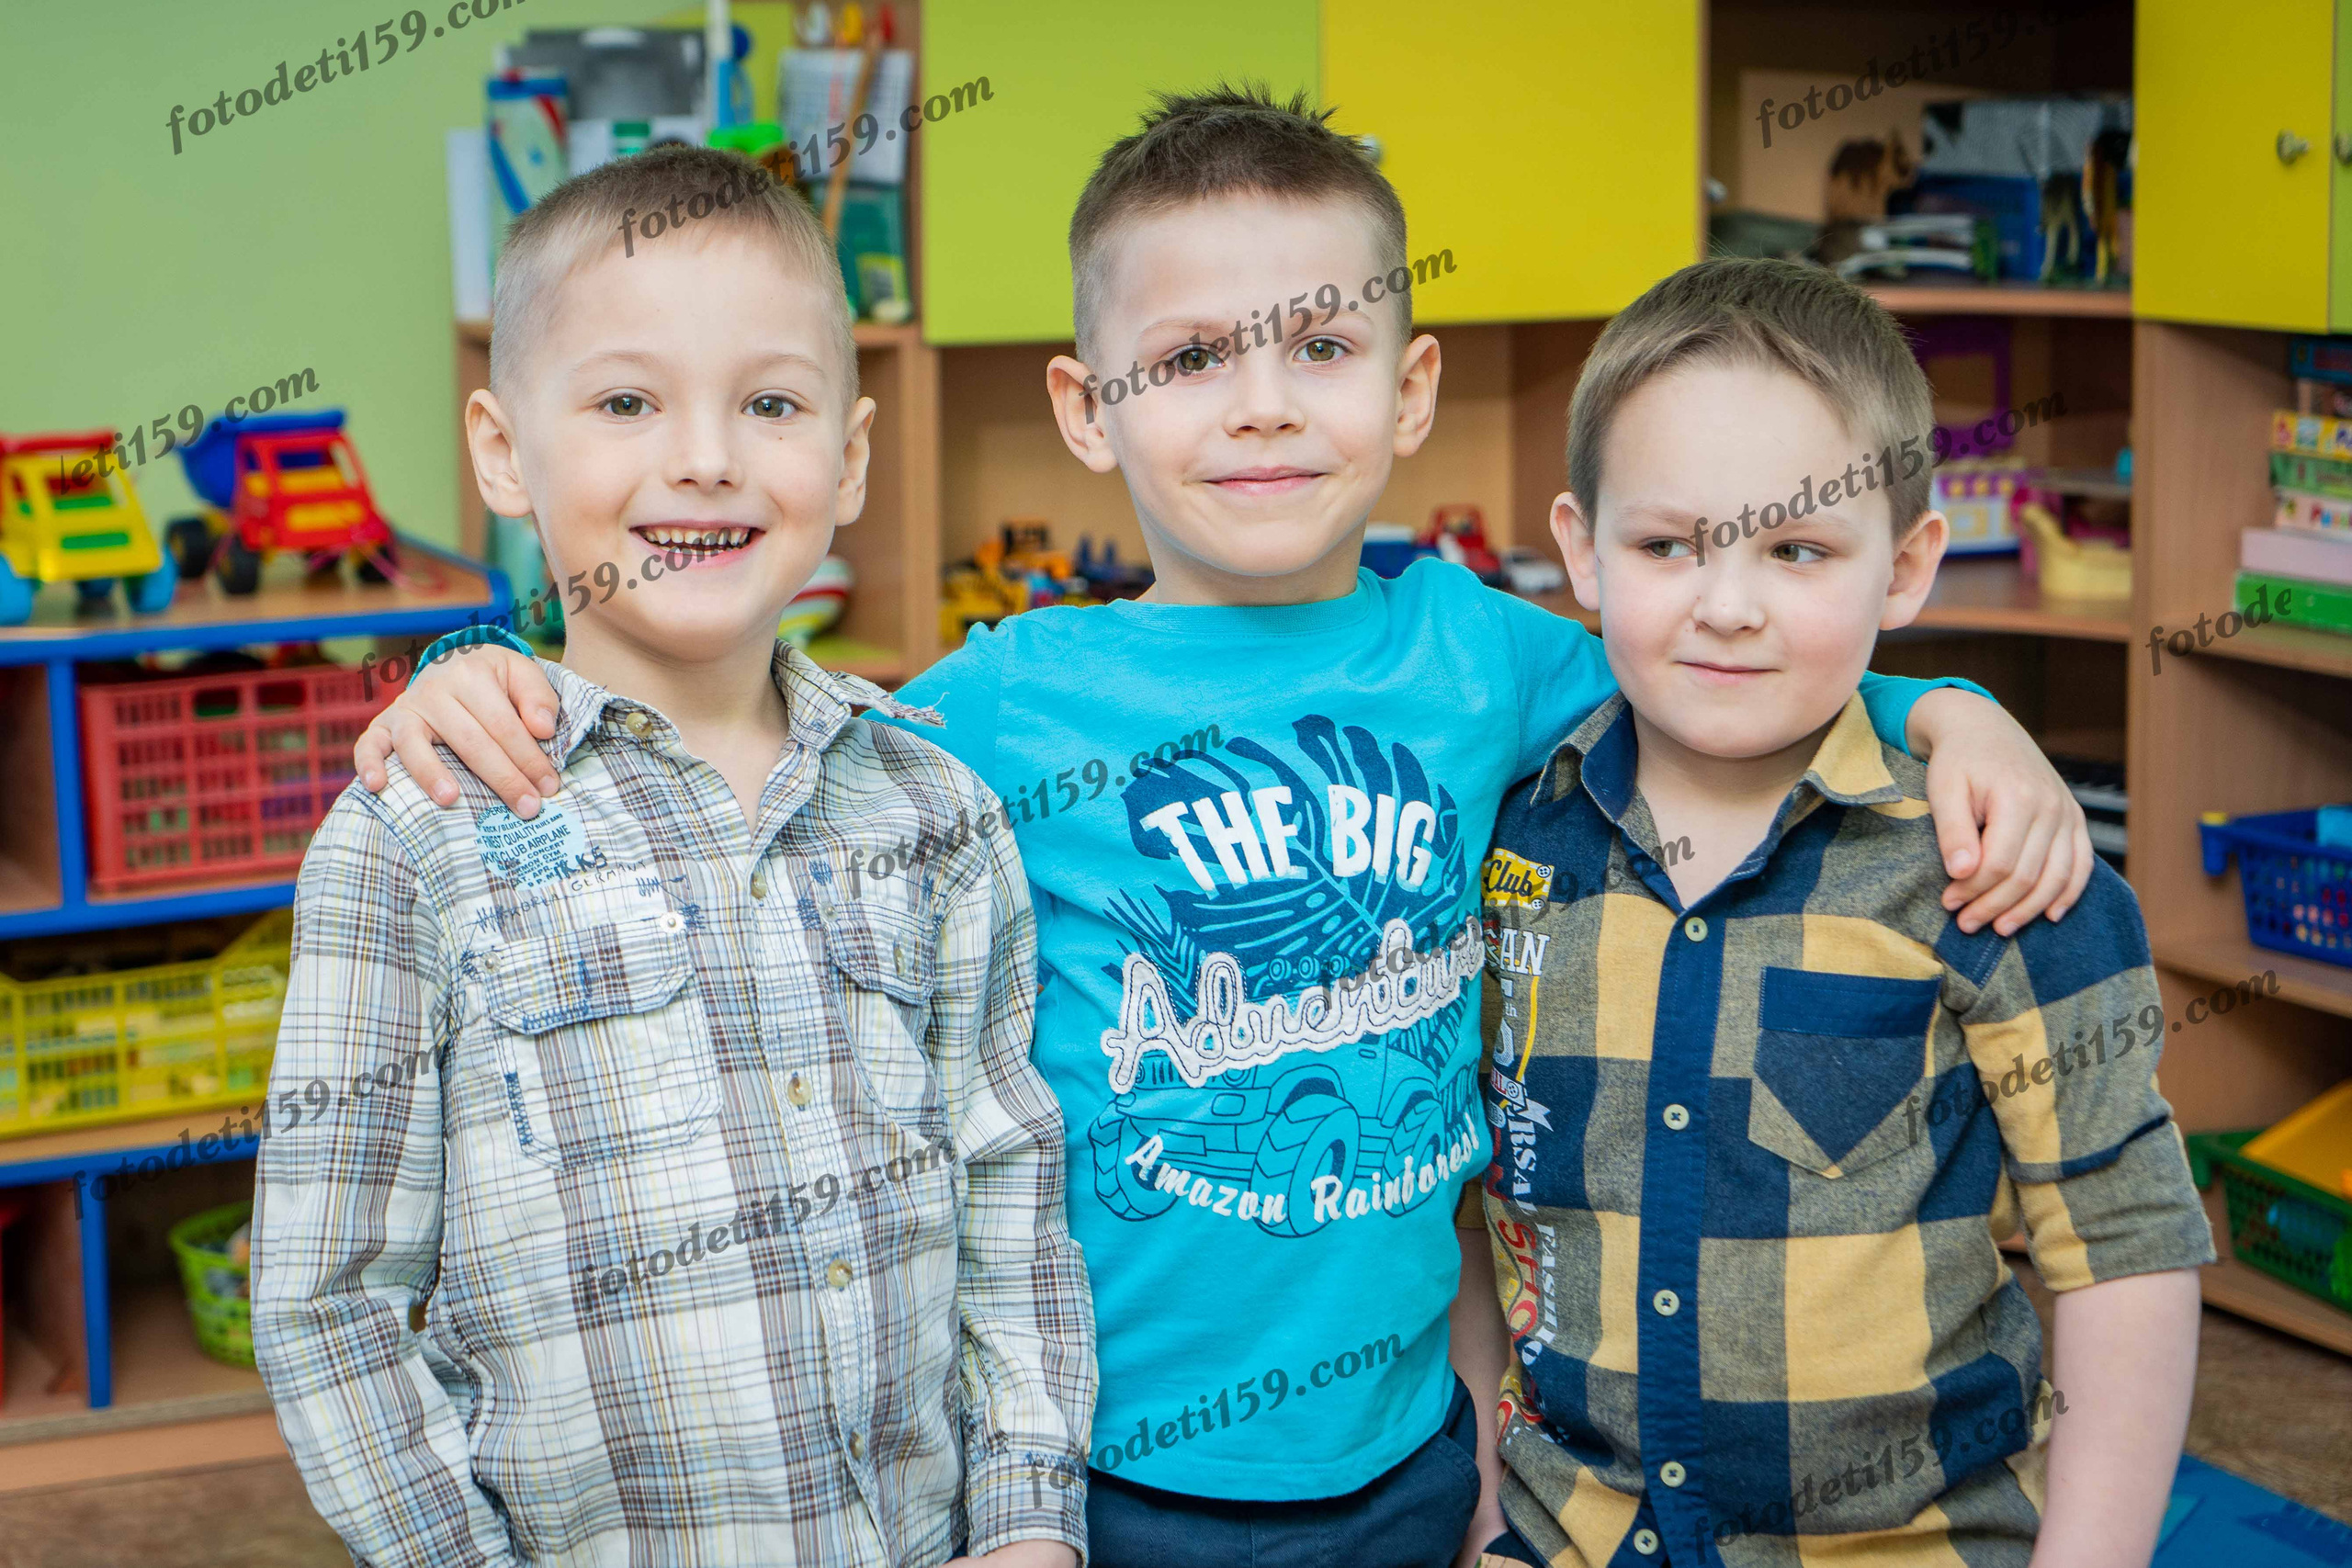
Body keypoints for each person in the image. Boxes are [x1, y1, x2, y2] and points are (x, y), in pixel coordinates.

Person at [353, 91, 2096, 1568]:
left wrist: (1947, 708)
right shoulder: (991, 707)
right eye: (1190, 360)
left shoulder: (1487, 656)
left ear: (1407, 393)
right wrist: (467, 667)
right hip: (1094, 1478)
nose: (1262, 403)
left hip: (1418, 1452)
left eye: (1321, 349)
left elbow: (1732, 664)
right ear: (1084, 405)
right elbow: (728, 709)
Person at [252, 145, 1092, 1568]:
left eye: (770, 403)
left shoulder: (939, 812)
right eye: (628, 401)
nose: (705, 455)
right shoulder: (420, 828)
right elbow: (328, 1298)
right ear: (503, 450)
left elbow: (1008, 1198)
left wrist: (1027, 1525)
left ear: (851, 458)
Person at [1471, 257, 2210, 1568]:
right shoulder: (1511, 838)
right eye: (1665, 545)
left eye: (1798, 549)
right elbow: (1478, 1205)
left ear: (1908, 567)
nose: (1730, 604)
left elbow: (2125, 1246)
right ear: (1582, 551)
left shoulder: (1998, 873)